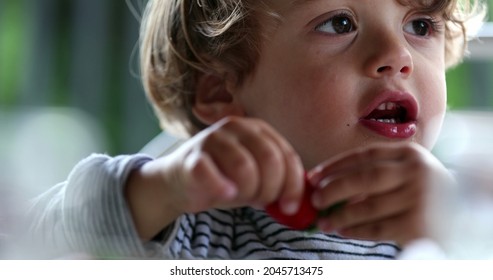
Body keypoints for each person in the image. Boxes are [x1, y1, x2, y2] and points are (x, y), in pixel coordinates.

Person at [26, 0, 485, 259]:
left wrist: (447, 236)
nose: (397, 54)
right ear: (222, 91)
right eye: (339, 23)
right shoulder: (190, 225)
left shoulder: (452, 218)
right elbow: (40, 246)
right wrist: (162, 186)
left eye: (420, 25)